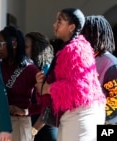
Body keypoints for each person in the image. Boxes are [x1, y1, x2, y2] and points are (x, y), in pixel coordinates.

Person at [35, 8, 106, 141]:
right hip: (75, 114)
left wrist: (47, 88)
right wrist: (43, 83)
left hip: (82, 114)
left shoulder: (76, 49)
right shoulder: (70, 48)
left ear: (71, 27)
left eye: (59, 21)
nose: (54, 25)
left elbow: (78, 88)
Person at [0, 25, 39, 141]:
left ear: (14, 44)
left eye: (0, 44)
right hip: (0, 122)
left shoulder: (30, 69)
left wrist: (25, 111)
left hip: (19, 123)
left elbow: (46, 102)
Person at [81, 15, 117, 125]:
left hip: (107, 123)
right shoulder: (86, 59)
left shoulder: (110, 63)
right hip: (88, 121)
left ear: (98, 35)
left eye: (87, 33)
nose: (82, 38)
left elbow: (115, 98)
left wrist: (97, 118)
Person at [25, 31, 58, 141]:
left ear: (36, 49)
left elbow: (49, 107)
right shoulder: (31, 70)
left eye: (26, 47)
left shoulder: (46, 71)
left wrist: (33, 130)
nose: (23, 50)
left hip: (45, 131)